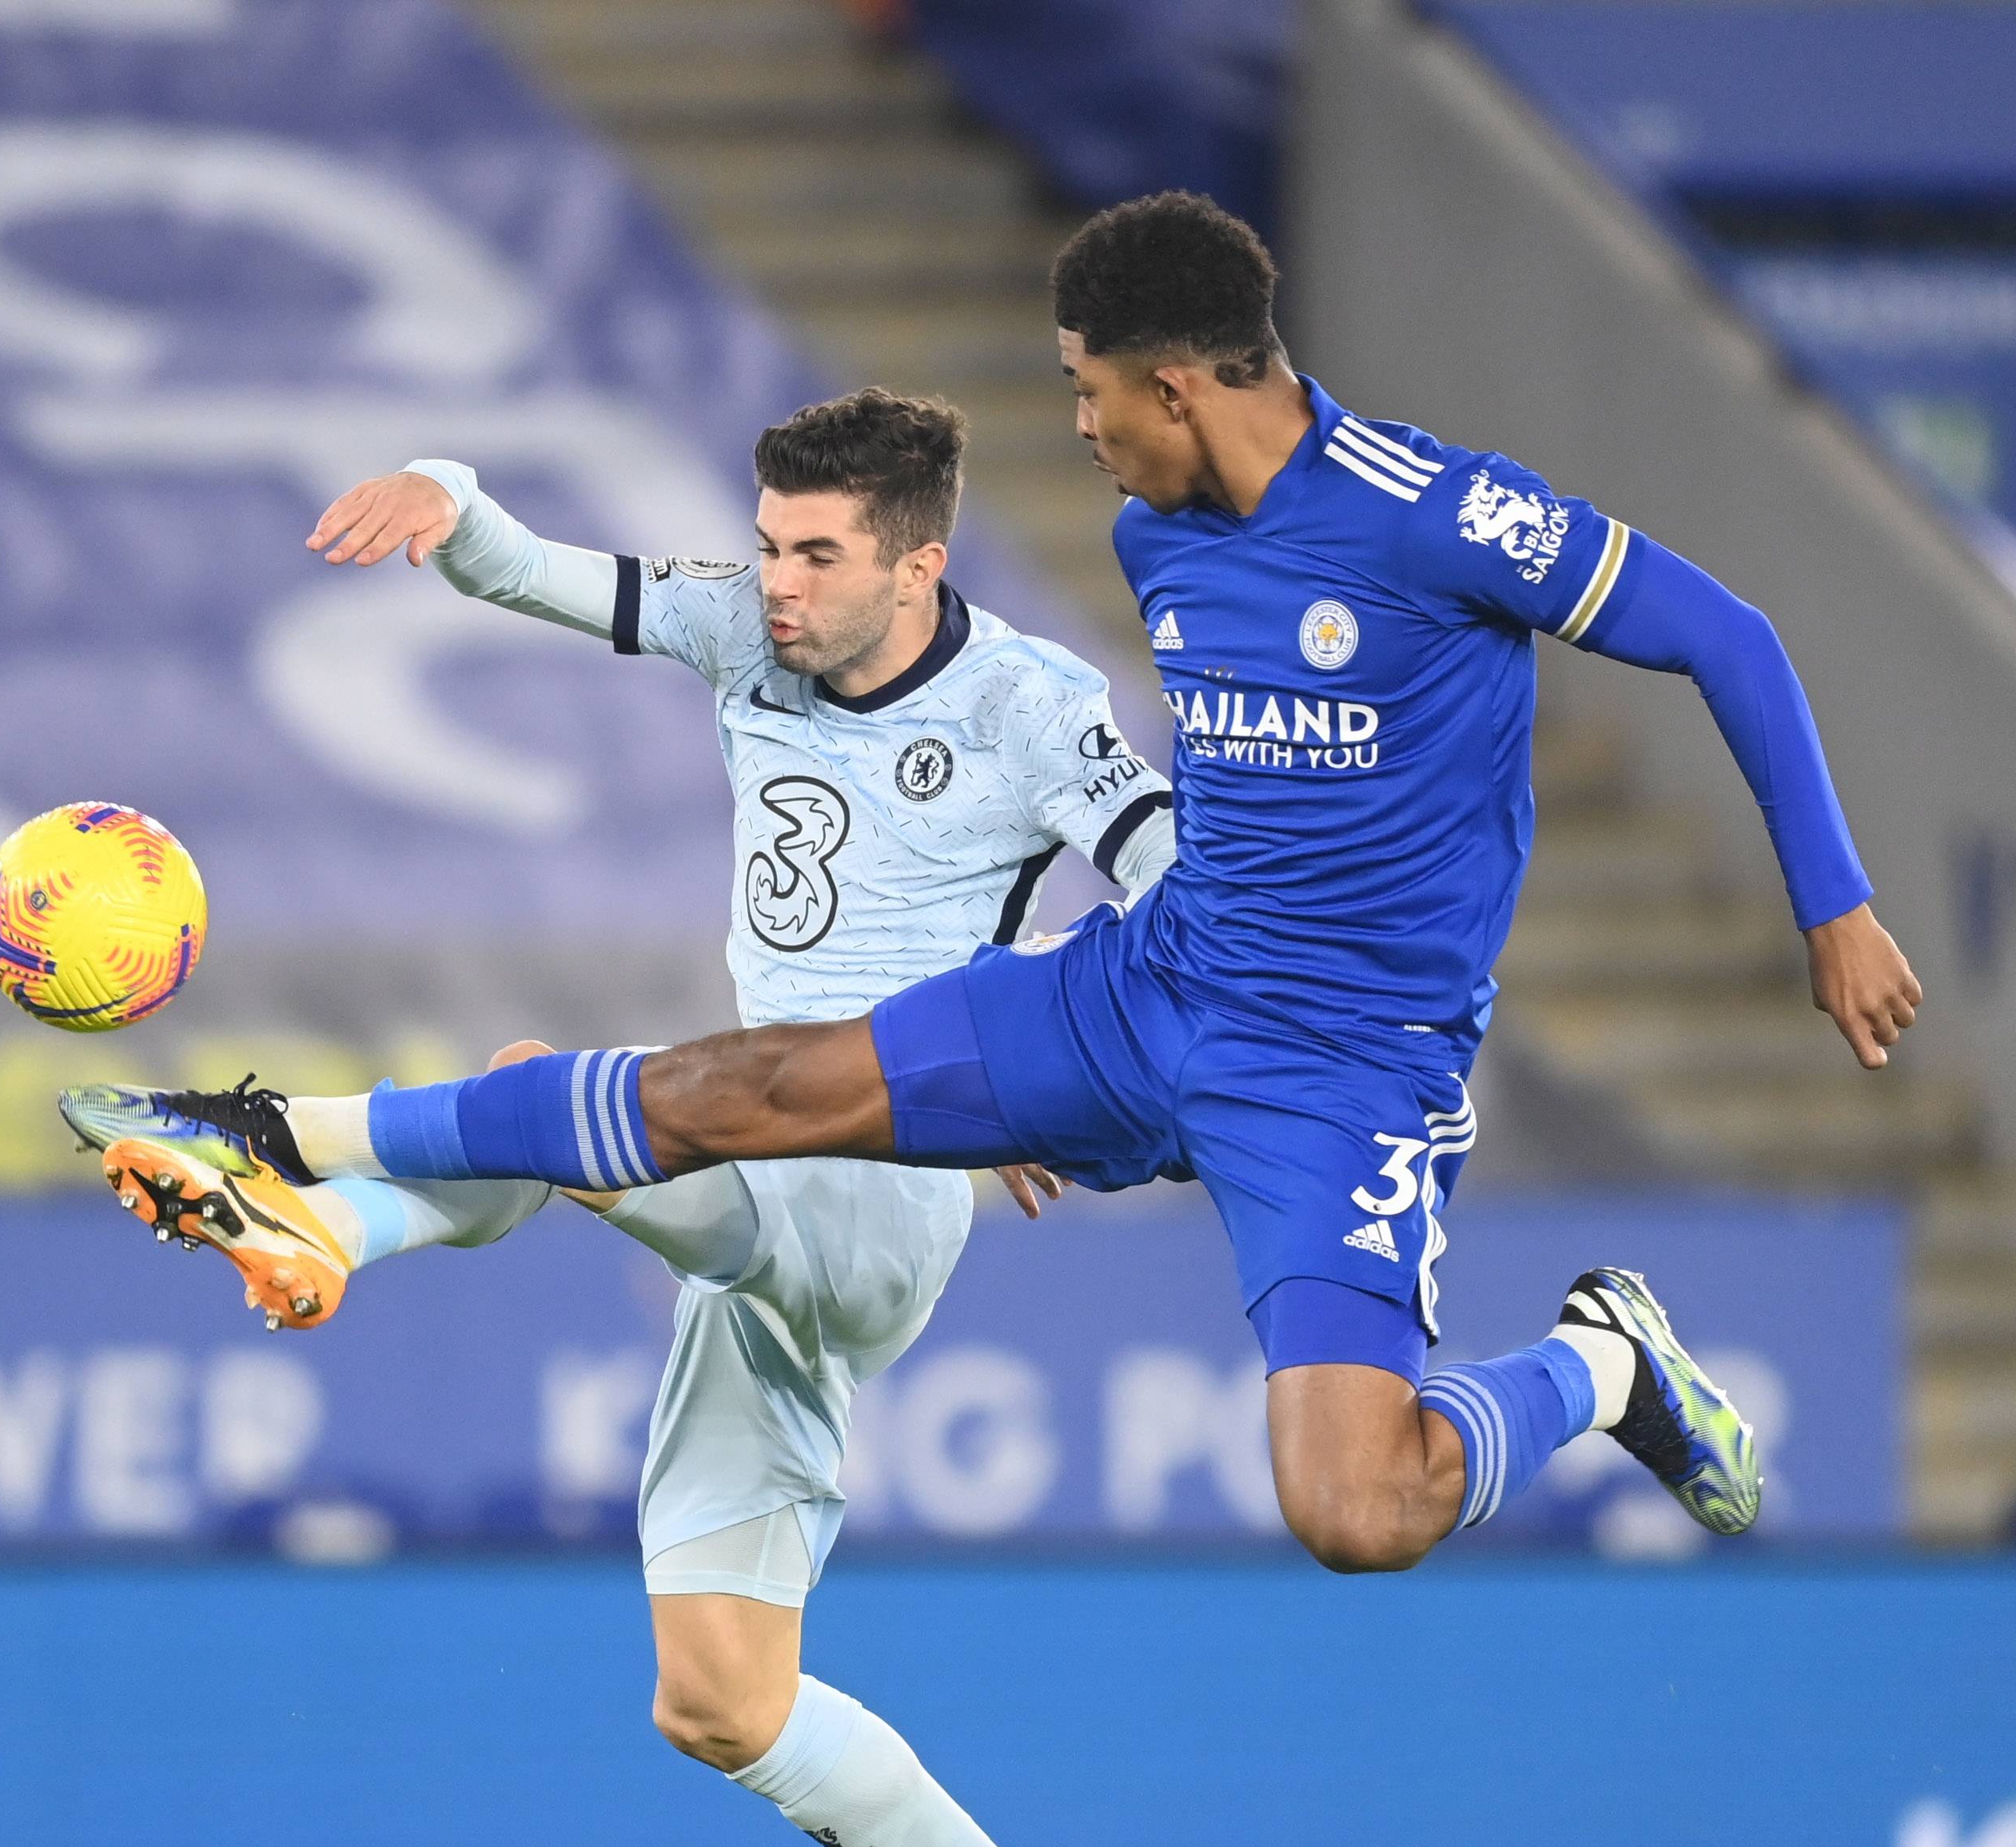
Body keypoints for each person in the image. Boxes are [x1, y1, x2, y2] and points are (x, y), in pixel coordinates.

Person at [94, 193, 1921, 1575]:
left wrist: (1827, 901)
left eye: (1085, 390)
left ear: (1178, 382)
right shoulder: (1155, 529)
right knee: (754, 1082)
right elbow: (1210, 823)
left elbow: (1729, 636)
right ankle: (270, 1128)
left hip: (1339, 1069)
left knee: (1357, 1511)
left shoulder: (1438, 516)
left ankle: (1602, 1364)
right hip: (1143, 989)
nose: (1077, 428)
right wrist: (1050, 1071)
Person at [62, 388, 1167, 1847]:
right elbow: (535, 576)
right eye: (770, 540)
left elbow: (1179, 897)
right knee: (716, 1695)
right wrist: (452, 494)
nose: (777, 583)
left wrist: (1041, 1054)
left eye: (816, 554)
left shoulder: (1038, 707)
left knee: (550, 1099)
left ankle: (296, 1179)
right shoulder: (750, 626)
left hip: (873, 1190)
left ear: (917, 560)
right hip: (749, 1189)